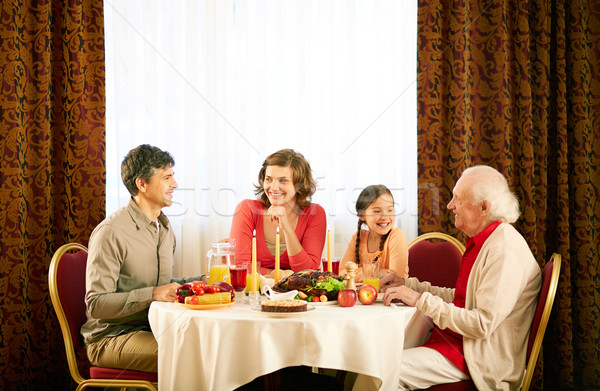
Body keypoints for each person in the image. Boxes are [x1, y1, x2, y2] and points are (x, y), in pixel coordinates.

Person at [378, 165, 541, 390]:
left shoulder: (504, 250)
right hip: (460, 343)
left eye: (458, 199)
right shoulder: (486, 240)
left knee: (382, 371)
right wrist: (409, 285)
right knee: (375, 357)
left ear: (484, 207)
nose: (449, 205)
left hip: (479, 357)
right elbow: (463, 299)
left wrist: (418, 300)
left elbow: (481, 324)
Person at [81, 144, 197, 373]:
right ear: (141, 184)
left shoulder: (163, 227)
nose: (175, 184)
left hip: (153, 327)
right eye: (166, 178)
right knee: (190, 356)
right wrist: (153, 294)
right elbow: (96, 304)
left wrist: (204, 280)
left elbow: (161, 284)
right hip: (110, 338)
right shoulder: (111, 232)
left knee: (208, 347)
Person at [229, 148, 326, 273]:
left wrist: (287, 229)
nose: (273, 187)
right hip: (254, 291)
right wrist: (281, 274)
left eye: (282, 180)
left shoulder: (314, 213)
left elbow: (308, 271)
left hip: (297, 292)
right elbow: (240, 268)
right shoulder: (247, 209)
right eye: (269, 179)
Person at [339, 184, 409, 282]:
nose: (384, 216)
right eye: (377, 211)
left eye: (389, 210)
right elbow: (342, 273)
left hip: (391, 295)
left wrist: (358, 272)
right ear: (362, 215)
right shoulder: (358, 237)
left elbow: (395, 277)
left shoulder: (397, 236)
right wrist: (383, 272)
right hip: (364, 296)